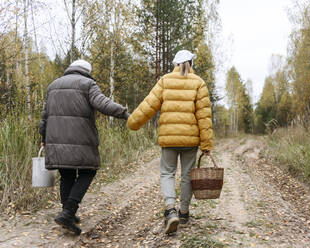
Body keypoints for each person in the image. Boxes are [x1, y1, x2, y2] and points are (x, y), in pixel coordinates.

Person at [38, 59, 130, 235]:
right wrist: (124, 113)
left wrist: (44, 137)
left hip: (55, 138)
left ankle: (67, 213)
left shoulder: (53, 85)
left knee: (67, 173)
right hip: (81, 138)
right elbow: (103, 103)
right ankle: (67, 213)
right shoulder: (88, 83)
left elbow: (45, 115)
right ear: (86, 71)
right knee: (88, 171)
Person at [127, 50, 213, 234]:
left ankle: (170, 210)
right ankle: (183, 212)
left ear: (175, 64)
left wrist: (133, 122)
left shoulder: (165, 80)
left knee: (167, 173)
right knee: (187, 175)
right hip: (190, 139)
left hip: (168, 138)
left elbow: (148, 105)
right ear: (191, 62)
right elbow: (204, 116)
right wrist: (206, 145)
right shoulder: (198, 82)